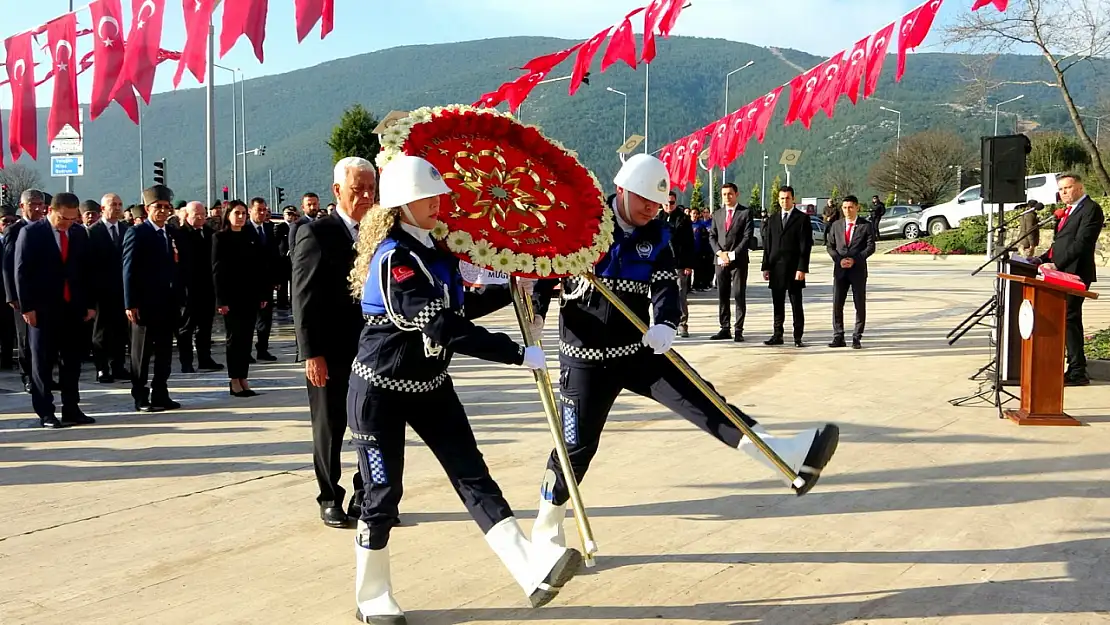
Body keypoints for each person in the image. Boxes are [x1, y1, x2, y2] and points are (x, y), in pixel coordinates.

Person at [529, 154, 839, 553]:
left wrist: (667, 323)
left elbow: (664, 288)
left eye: (657, 203)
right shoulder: (582, 223)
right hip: (586, 359)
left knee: (704, 397)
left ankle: (782, 453)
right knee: (576, 447)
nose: (651, 209)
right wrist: (536, 313)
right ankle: (547, 525)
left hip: (639, 348)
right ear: (621, 190)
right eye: (644, 200)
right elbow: (544, 274)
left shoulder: (656, 233)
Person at [345, 154, 581, 623]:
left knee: (474, 475)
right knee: (382, 493)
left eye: (437, 195)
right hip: (379, 394)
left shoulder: (435, 252)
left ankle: (530, 571)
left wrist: (517, 285)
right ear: (401, 204)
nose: (439, 203)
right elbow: (442, 327)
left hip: (430, 386)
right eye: (426, 197)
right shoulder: (395, 261)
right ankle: (372, 596)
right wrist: (515, 354)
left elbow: (462, 306)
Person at [292, 159, 372, 528]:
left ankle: (364, 494)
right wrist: (311, 353)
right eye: (358, 191)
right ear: (338, 191)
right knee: (329, 425)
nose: (367, 197)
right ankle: (329, 496)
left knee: (371, 424)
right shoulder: (317, 233)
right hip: (330, 348)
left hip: (372, 348)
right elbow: (303, 297)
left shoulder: (380, 230)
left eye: (372, 189)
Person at [15, 193, 97, 428]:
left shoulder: (79, 233)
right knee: (42, 362)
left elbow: (87, 271)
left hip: (73, 308)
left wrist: (90, 304)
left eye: (73, 219)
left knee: (71, 362)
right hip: (42, 309)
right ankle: (46, 412)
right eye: (63, 218)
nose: (67, 223)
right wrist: (27, 307)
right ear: (50, 211)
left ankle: (72, 408)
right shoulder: (31, 233)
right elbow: (21, 272)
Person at [1035, 173, 1104, 386]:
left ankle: (1077, 371)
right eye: (1061, 189)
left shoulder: (1091, 209)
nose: (1064, 192)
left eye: (1068, 188)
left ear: (1080, 188)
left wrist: (1057, 264)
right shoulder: (1069, 211)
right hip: (1062, 271)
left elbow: (1082, 243)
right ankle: (1072, 367)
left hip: (1075, 272)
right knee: (1066, 318)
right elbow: (1062, 243)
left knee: (1070, 318)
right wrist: (1042, 257)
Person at [122, 186, 183, 412]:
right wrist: (130, 302)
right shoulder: (137, 233)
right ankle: (140, 395)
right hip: (145, 303)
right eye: (158, 207)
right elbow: (128, 269)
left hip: (167, 303)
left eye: (167, 208)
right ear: (148, 209)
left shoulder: (171, 232)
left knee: (165, 351)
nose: (163, 211)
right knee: (142, 352)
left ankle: (161, 392)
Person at [214, 200, 269, 397]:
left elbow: (259, 267)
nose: (241, 217)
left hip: (250, 295)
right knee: (234, 339)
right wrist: (221, 300)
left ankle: (243, 377)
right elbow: (217, 271)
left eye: (244, 213)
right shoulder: (220, 238)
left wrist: (263, 294)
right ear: (228, 215)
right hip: (231, 297)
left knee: (246, 339)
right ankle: (234, 379)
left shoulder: (250, 235)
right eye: (237, 213)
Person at [4, 189, 48, 392]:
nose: (38, 208)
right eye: (33, 204)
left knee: (43, 338)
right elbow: (8, 266)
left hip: (44, 293)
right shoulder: (14, 230)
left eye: (41, 204)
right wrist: (12, 295)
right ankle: (27, 376)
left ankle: (43, 376)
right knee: (24, 338)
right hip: (22, 295)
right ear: (23, 207)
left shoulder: (46, 228)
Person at [87, 193, 131, 383]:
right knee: (101, 332)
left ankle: (118, 366)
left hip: (122, 290)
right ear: (103, 209)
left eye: (120, 204)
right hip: (101, 291)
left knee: (121, 331)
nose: (118, 208)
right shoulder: (92, 232)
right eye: (113, 204)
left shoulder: (127, 230)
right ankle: (102, 368)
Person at [761, 186, 813, 348]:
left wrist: (802, 268)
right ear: (778, 200)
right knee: (778, 304)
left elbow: (805, 246)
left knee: (796, 303)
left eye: (788, 198)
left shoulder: (802, 219)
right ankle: (777, 334)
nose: (785, 201)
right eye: (782, 198)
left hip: (794, 269)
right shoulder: (773, 219)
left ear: (793, 199)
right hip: (776, 268)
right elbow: (767, 245)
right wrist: (766, 267)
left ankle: (798, 336)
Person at [176, 201, 223, 373]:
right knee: (186, 328)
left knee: (205, 326)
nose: (201, 217)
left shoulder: (210, 234)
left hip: (207, 288)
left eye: (203, 214)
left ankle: (205, 358)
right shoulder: (180, 234)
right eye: (197, 215)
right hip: (189, 289)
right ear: (187, 215)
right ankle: (186, 362)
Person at [826, 196, 876, 349]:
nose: (847, 211)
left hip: (858, 270)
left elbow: (870, 247)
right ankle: (838, 336)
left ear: (857, 207)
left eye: (850, 207)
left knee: (859, 303)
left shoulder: (866, 226)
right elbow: (830, 246)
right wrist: (838, 259)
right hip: (840, 270)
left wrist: (856, 259)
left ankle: (857, 336)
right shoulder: (836, 225)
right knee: (837, 303)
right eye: (845, 208)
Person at [709, 183, 754, 342]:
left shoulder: (745, 213)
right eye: (724, 194)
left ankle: (738, 329)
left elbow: (747, 237)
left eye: (730, 194)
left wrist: (732, 255)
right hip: (720, 260)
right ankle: (724, 328)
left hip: (738, 261)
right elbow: (712, 236)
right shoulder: (717, 214)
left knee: (739, 295)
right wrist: (720, 253)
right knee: (723, 295)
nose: (727, 197)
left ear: (736, 194)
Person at [655, 191, 695, 337]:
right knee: (662, 294)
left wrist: (688, 265)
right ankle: (664, 323)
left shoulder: (684, 219)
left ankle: (683, 324)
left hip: (679, 263)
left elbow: (690, 243)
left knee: (680, 294)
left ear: (675, 202)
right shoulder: (658, 218)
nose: (668, 206)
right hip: (662, 265)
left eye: (671, 203)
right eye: (666, 203)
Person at [247, 197, 280, 362]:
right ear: (250, 210)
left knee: (265, 320)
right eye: (258, 210)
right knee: (249, 320)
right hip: (249, 283)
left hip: (266, 282)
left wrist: (276, 278)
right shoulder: (244, 229)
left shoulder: (269, 228)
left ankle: (263, 349)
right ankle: (246, 352)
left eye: (264, 210)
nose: (261, 213)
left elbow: (274, 255)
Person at [0, 205, 19, 371]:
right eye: (5, 221)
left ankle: (7, 360)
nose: (9, 224)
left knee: (9, 329)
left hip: (12, 293)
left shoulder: (18, 238)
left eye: (13, 221)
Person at [288, 192, 321, 256]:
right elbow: (293, 250)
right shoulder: (297, 225)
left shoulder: (322, 223)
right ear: (303, 207)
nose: (312, 207)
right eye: (309, 205)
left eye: (315, 204)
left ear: (318, 205)